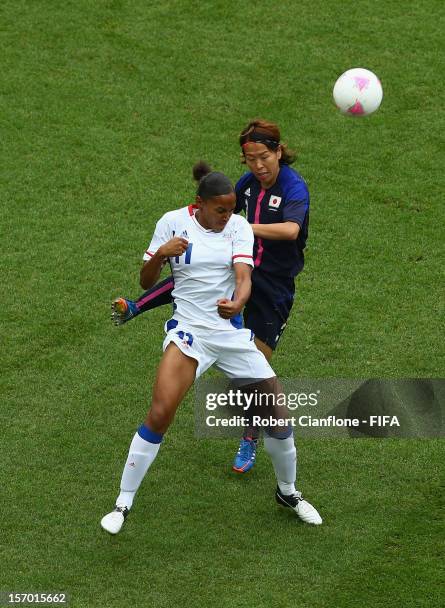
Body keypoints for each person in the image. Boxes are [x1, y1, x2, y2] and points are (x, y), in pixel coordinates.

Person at [101, 162, 322, 534]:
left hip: (231, 335)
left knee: (278, 420)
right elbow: (145, 278)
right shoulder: (171, 222)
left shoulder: (237, 228)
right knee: (160, 413)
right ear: (198, 205)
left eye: (231, 208)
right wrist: (160, 254)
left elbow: (243, 277)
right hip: (189, 333)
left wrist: (238, 303)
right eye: (220, 209)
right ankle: (123, 502)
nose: (228, 216)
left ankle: (289, 492)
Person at [111, 120, 310, 475]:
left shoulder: (294, 187)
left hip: (273, 285)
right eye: (250, 159)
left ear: (279, 151)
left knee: (256, 375)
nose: (258, 166)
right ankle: (139, 305)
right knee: (193, 276)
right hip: (241, 265)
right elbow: (221, 203)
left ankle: (251, 433)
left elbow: (291, 230)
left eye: (264, 157)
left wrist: (241, 225)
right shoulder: (248, 184)